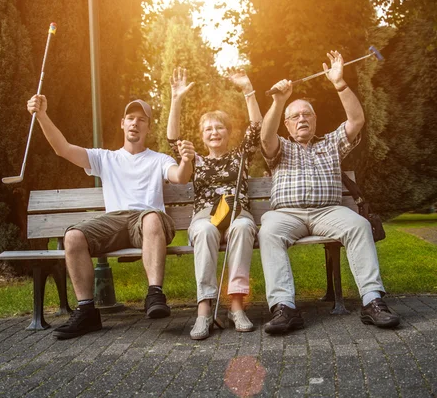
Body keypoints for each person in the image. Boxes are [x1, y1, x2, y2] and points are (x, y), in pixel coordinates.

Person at [26, 94, 195, 340]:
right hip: (115, 221)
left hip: (148, 221)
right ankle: (86, 312)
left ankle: (155, 294)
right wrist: (42, 115)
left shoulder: (159, 159)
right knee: (73, 237)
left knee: (150, 218)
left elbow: (180, 176)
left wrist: (187, 160)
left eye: (141, 120)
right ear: (122, 124)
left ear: (148, 127)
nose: (135, 123)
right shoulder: (105, 158)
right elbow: (62, 149)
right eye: (130, 118)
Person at [258, 50, 400, 334]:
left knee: (358, 225)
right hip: (287, 214)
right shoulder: (280, 147)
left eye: (306, 114)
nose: (301, 119)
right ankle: (284, 307)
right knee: (269, 231)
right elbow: (265, 135)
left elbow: (357, 121)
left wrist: (340, 83)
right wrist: (279, 102)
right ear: (286, 124)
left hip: (328, 212)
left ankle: (373, 301)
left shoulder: (330, 143)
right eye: (294, 116)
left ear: (315, 119)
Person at [167, 67, 262, 340]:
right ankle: (204, 310)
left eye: (219, 127)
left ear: (228, 132)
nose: (214, 131)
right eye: (208, 128)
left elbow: (256, 127)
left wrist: (248, 90)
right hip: (206, 215)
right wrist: (176, 99)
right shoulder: (194, 158)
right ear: (201, 135)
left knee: (243, 229)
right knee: (207, 231)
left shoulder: (239, 156)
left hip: (237, 212)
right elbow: (173, 138)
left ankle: (236, 306)